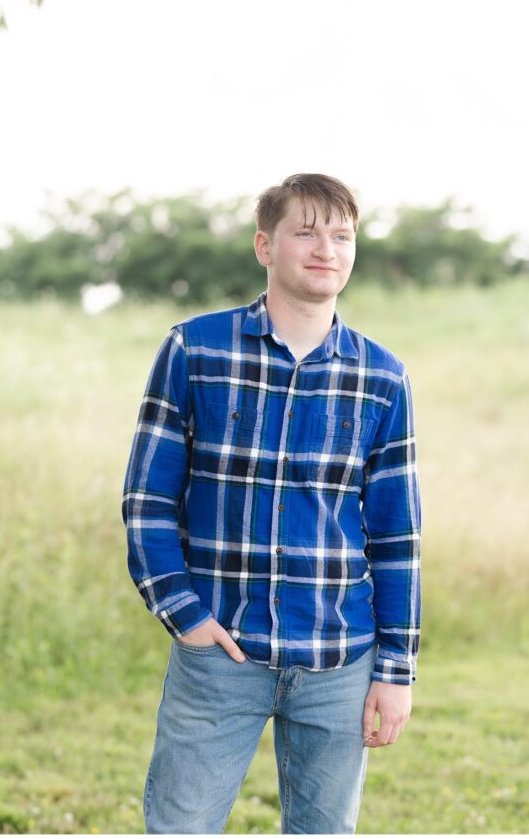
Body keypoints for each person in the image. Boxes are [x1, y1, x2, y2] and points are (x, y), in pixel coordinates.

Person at [121, 173, 422, 834]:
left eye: (342, 235)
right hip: (220, 649)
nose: (327, 249)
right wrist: (186, 616)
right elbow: (147, 501)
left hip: (338, 658)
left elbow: (396, 538)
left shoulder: (382, 376)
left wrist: (395, 670)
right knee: (180, 827)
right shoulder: (194, 350)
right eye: (306, 232)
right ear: (265, 245)